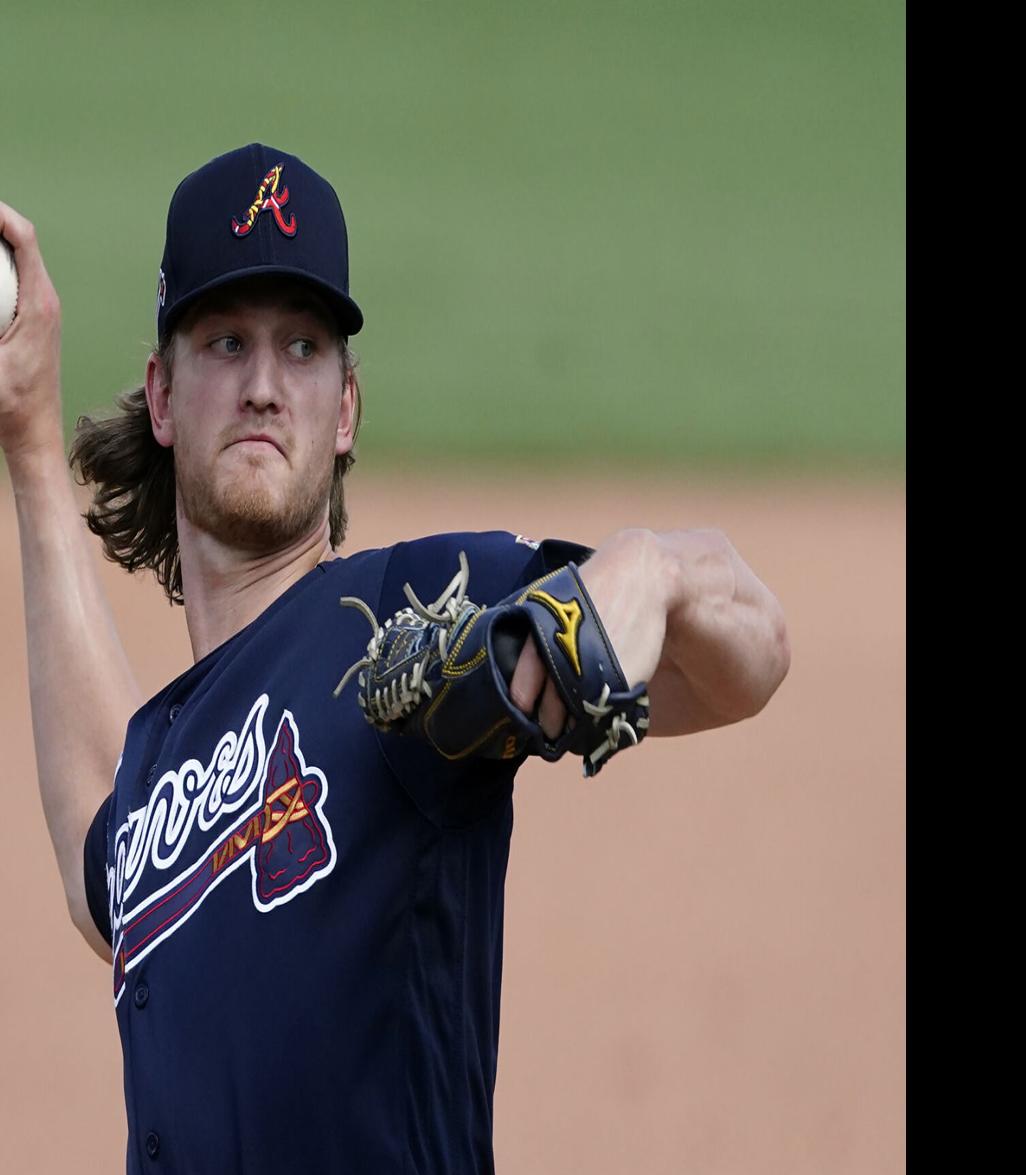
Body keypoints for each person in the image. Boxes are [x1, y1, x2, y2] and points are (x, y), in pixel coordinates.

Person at [0, 144, 790, 1174]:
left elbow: (755, 653)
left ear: (345, 412)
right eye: (226, 342)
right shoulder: (164, 766)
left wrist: (655, 570)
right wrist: (26, 436)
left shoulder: (407, 606)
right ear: (161, 397)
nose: (263, 386)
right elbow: (98, 861)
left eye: (301, 348)